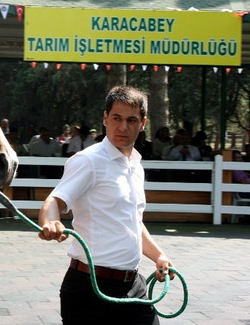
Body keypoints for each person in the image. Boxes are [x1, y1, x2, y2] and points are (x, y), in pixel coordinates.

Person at [38, 85, 173, 325]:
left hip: (134, 286)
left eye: (132, 120)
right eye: (116, 118)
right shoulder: (88, 161)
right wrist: (50, 221)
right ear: (104, 119)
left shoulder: (135, 165)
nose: (123, 127)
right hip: (89, 290)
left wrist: (158, 255)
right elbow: (54, 200)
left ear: (143, 123)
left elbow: (131, 222)